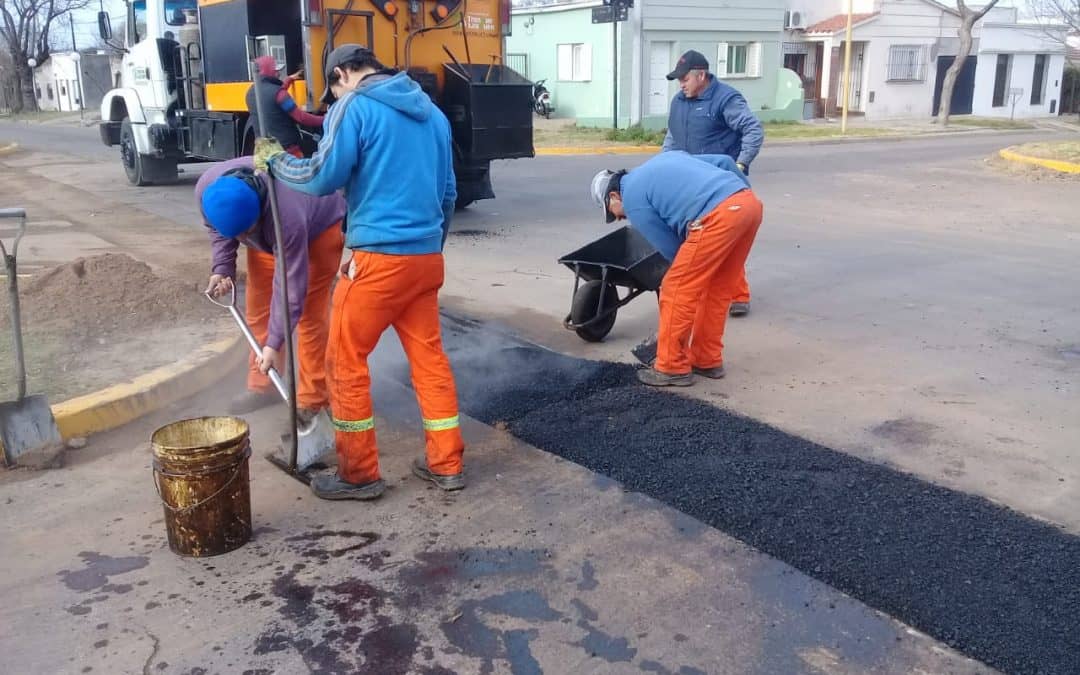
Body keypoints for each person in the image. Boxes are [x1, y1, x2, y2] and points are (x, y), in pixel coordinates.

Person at [261, 44, 464, 501]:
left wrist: (275, 162)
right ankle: (446, 462)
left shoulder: (356, 106)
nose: (336, 95)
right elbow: (448, 194)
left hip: (378, 262)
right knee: (430, 362)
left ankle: (359, 474)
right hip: (426, 261)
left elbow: (320, 176)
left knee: (343, 362)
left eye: (335, 87)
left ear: (343, 73)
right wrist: (429, 247)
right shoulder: (433, 115)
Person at [591, 151, 763, 387]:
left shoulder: (632, 197)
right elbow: (724, 162)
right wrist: (742, 197)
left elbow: (673, 250)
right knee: (717, 288)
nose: (619, 218)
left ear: (614, 195)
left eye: (613, 213)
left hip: (717, 216)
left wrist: (685, 271)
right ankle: (706, 360)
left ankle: (671, 366)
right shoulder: (664, 160)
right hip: (748, 205)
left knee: (676, 287)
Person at [196, 156, 346, 420]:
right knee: (259, 307)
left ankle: (313, 399)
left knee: (309, 313)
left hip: (319, 229)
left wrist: (275, 342)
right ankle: (265, 385)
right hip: (267, 236)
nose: (241, 240)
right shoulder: (207, 191)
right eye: (238, 236)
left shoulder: (285, 211)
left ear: (259, 210)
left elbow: (290, 288)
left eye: (245, 232)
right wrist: (222, 267)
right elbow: (220, 231)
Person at [663, 49, 764, 317]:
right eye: (679, 80)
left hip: (721, 183)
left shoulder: (725, 99)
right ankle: (703, 288)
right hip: (691, 183)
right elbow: (672, 139)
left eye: (685, 79)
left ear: (701, 75)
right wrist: (663, 166)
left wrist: (741, 164)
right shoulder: (679, 102)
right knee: (696, 236)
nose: (681, 84)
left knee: (726, 238)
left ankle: (738, 294)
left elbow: (752, 129)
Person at [246, 56, 325, 158]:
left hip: (264, 152)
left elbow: (271, 98)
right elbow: (301, 118)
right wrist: (326, 118)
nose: (278, 73)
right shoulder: (280, 94)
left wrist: (289, 79)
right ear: (268, 71)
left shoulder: (250, 93)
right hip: (287, 152)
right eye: (276, 70)